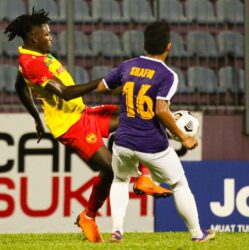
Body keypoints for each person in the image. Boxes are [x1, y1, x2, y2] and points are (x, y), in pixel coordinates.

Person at [5, 8, 172, 243]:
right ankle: (91, 214)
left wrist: (36, 117)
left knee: (137, 115)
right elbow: (64, 93)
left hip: (82, 114)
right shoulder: (32, 63)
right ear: (34, 38)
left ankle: (136, 182)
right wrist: (101, 82)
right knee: (112, 169)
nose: (51, 37)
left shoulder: (33, 56)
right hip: (71, 125)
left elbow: (19, 86)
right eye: (47, 34)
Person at [96, 21, 215, 243]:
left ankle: (117, 230)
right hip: (152, 145)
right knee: (179, 184)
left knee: (120, 180)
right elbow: (161, 109)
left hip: (123, 141)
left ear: (145, 44)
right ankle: (198, 234)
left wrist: (128, 86)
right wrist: (184, 137)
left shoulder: (128, 66)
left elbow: (102, 87)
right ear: (169, 46)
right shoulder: (167, 75)